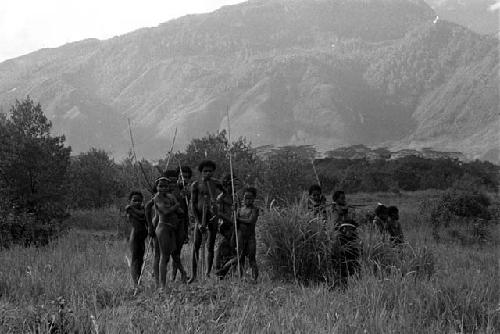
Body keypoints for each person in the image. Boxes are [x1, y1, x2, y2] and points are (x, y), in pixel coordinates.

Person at [188, 160, 224, 283]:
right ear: (201, 172)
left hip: (213, 216)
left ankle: (208, 273)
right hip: (200, 217)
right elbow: (192, 205)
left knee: (210, 245)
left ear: (213, 172)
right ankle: (193, 275)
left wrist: (218, 202)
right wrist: (198, 222)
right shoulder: (196, 185)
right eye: (205, 171)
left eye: (210, 171)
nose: (208, 173)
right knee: (196, 245)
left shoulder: (216, 183)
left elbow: (227, 191)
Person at [152, 174, 188, 288]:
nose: (163, 188)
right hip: (163, 228)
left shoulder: (171, 197)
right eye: (160, 186)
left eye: (165, 186)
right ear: (157, 187)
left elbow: (180, 212)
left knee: (173, 254)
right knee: (164, 257)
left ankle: (182, 274)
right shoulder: (156, 198)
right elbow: (165, 212)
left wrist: (178, 208)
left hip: (172, 228)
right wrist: (150, 224)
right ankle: (162, 285)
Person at [217, 187, 259, 281]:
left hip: (250, 237)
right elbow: (234, 222)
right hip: (240, 236)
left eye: (250, 198)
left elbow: (250, 220)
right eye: (246, 198)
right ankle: (239, 276)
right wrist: (234, 211)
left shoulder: (255, 209)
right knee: (240, 257)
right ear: (243, 198)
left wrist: (238, 219)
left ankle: (254, 278)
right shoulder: (239, 209)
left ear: (254, 199)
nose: (247, 200)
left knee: (252, 258)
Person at [171, 165, 193, 281]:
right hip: (170, 224)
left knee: (177, 252)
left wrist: (186, 229)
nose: (184, 179)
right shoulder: (170, 189)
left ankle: (174, 276)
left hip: (181, 224)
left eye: (186, 177)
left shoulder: (187, 193)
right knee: (172, 251)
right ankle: (182, 273)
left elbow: (185, 211)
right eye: (181, 176)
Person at [214, 174, 239, 278]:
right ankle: (219, 269)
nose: (235, 187)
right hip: (224, 226)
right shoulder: (221, 197)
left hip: (234, 226)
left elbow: (238, 210)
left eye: (237, 185)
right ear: (227, 184)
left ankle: (229, 271)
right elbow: (219, 212)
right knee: (222, 247)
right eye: (233, 185)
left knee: (233, 248)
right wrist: (230, 220)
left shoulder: (236, 197)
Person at [125, 191, 147, 285]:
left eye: (139, 200)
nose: (137, 202)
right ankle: (135, 283)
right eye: (134, 200)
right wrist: (143, 210)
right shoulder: (129, 209)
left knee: (140, 259)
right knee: (135, 260)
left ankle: (139, 280)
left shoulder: (140, 209)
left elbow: (144, 217)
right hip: (135, 237)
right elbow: (142, 216)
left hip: (142, 238)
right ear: (130, 201)